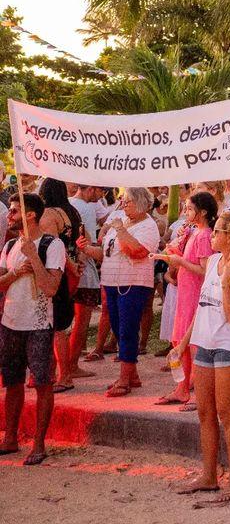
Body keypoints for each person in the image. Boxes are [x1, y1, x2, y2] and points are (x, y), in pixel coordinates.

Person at [171, 215, 230, 504]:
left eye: (218, 231)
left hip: (229, 346)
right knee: (204, 412)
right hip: (204, 344)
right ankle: (208, 474)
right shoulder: (211, 262)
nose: (212, 235)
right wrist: (185, 342)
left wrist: (225, 284)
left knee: (226, 412)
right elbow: (201, 307)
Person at [0, 194, 65, 465]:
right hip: (10, 322)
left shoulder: (53, 244)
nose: (8, 215)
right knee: (12, 382)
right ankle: (10, 437)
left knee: (42, 382)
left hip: (38, 324)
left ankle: (39, 443)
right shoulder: (10, 244)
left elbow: (50, 288)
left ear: (30, 215)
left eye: (14, 211)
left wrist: (32, 257)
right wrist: (16, 273)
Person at [79, 187, 160, 397]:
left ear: (142, 203)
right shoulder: (120, 222)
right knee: (118, 328)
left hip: (132, 284)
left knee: (127, 330)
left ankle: (125, 379)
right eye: (123, 201)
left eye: (128, 202)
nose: (123, 205)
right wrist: (86, 248)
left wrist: (121, 231)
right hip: (111, 283)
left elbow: (137, 252)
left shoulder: (148, 226)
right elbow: (106, 254)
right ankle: (132, 375)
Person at [152, 191, 216, 408]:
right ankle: (181, 388)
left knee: (194, 345)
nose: (186, 212)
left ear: (203, 212)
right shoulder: (193, 232)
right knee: (179, 341)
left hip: (195, 296)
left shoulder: (206, 235)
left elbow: (205, 270)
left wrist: (180, 261)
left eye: (190, 208)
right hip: (185, 294)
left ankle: (200, 394)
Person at [37, 178, 81, 393]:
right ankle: (59, 373)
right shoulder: (71, 212)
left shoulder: (48, 215)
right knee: (60, 326)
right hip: (70, 271)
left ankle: (64, 376)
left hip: (57, 271)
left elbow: (54, 249)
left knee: (56, 328)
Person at [67, 184, 102, 380]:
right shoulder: (86, 208)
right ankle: (72, 365)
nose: (101, 196)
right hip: (84, 271)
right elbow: (87, 239)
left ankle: (64, 365)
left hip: (66, 269)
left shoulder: (67, 204)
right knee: (82, 321)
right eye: (100, 191)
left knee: (63, 323)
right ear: (90, 189)